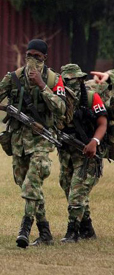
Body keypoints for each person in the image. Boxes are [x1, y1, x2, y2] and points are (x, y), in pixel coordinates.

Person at [0, 39, 67, 248]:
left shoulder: (53, 79)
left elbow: (61, 108)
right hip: (19, 141)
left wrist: (41, 84)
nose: (32, 60)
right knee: (28, 186)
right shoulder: (13, 77)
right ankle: (46, 233)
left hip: (41, 140)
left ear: (45, 58)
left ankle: (25, 228)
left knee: (32, 185)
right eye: (29, 55)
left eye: (37, 57)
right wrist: (5, 108)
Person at [57, 64, 106, 242]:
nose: (73, 83)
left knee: (77, 193)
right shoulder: (57, 99)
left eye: (76, 79)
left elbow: (102, 123)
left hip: (88, 154)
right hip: (66, 153)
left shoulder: (92, 97)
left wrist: (95, 142)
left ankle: (72, 232)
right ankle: (87, 229)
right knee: (67, 186)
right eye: (68, 80)